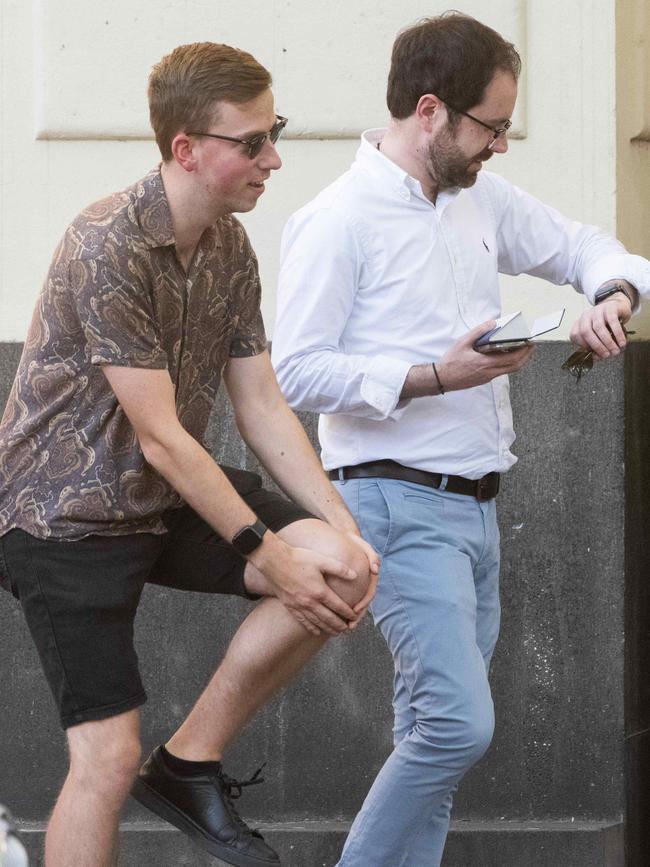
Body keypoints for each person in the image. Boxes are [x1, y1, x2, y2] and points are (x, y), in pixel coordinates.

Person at [272, 12, 650, 867]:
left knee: (432, 734)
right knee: (455, 724)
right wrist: (433, 375)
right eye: (493, 125)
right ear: (432, 110)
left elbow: (587, 246)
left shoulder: (479, 198)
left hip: (476, 505)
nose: (502, 145)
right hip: (390, 498)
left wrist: (613, 297)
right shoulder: (338, 219)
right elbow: (296, 372)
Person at [0, 42, 379, 867]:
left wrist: (343, 526)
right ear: (186, 149)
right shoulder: (107, 242)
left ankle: (190, 762)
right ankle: (153, 770)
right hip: (62, 518)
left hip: (160, 498)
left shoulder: (227, 245)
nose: (272, 158)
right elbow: (164, 436)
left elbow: (262, 404)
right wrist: (263, 552)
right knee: (103, 758)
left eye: (273, 132)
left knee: (340, 566)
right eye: (253, 142)